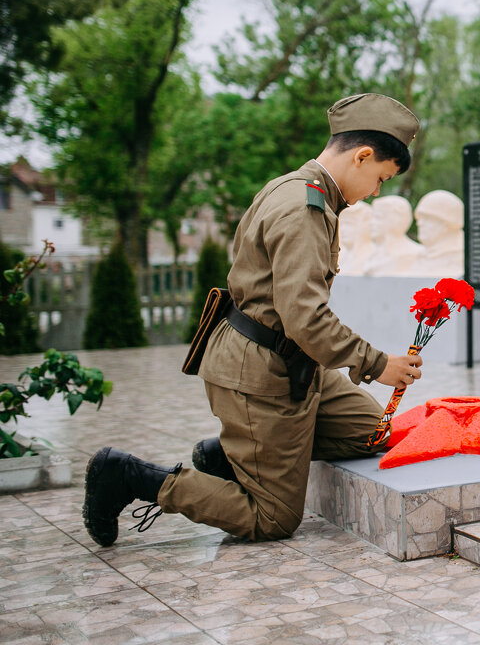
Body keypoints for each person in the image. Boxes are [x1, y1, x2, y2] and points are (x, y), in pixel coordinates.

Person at [82, 93, 425, 546]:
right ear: (362, 156)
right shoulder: (304, 207)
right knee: (273, 519)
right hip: (259, 371)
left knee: (376, 434)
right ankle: (127, 475)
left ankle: (232, 455)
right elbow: (305, 316)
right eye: (380, 178)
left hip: (297, 365)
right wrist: (379, 364)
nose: (375, 192)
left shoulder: (310, 193)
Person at [362, 194, 424, 276]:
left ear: (395, 220)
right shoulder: (371, 254)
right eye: (372, 218)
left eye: (378, 217)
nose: (372, 223)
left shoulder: (416, 253)